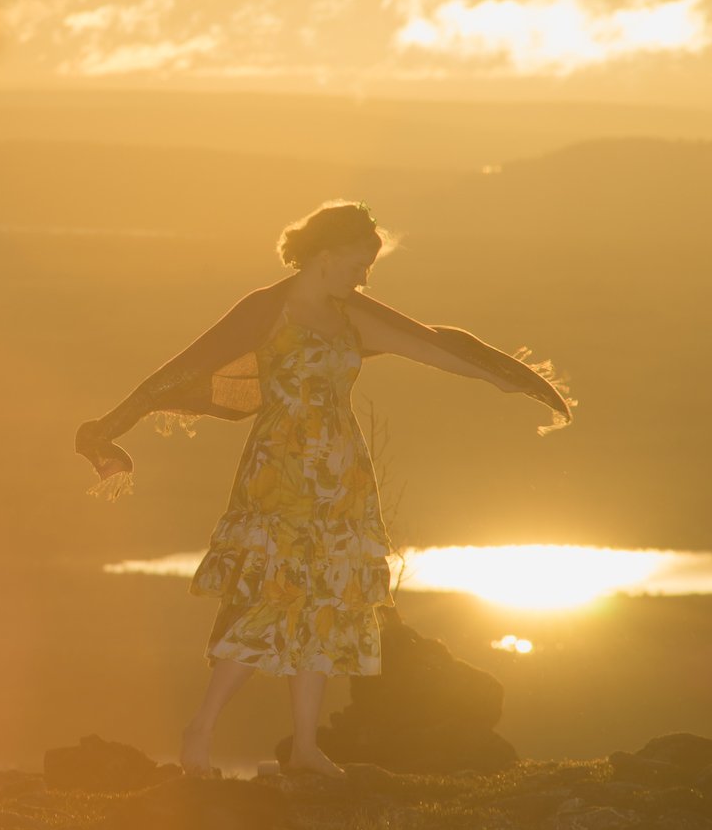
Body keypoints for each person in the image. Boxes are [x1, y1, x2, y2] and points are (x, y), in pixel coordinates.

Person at [74, 201, 571, 778]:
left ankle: (306, 748)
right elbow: (180, 369)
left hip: (341, 474)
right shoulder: (265, 309)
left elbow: (431, 344)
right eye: (361, 263)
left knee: (326, 603)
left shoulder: (351, 311)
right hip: (279, 471)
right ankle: (201, 729)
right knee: (270, 597)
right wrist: (107, 431)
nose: (366, 275)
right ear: (326, 256)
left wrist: (505, 378)